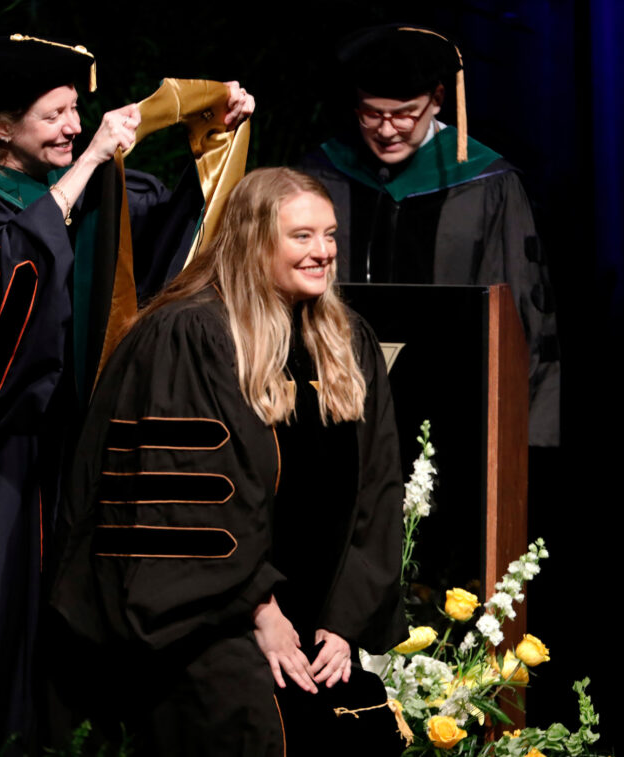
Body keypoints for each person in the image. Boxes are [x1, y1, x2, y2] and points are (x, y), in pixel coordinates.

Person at [0, 34, 253, 756]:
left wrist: (211, 141)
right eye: (54, 114)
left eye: (75, 110)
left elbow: (147, 253)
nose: (73, 127)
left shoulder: (58, 189)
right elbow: (0, 302)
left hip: (50, 458)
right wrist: (92, 161)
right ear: (0, 126)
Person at [51, 167, 408, 756]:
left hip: (317, 620)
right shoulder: (189, 336)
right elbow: (182, 505)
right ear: (252, 240)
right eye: (301, 236)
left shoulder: (345, 340)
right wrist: (260, 611)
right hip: (207, 624)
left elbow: (378, 486)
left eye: (329, 235)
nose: (322, 252)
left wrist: (345, 623)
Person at [301, 24, 560, 447]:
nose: (387, 130)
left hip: (454, 405)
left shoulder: (487, 183)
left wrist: (525, 431)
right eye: (371, 113)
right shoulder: (322, 174)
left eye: (404, 114)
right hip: (338, 402)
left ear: (437, 99)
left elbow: (523, 313)